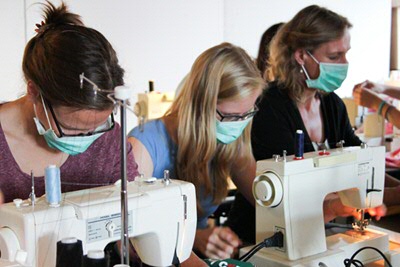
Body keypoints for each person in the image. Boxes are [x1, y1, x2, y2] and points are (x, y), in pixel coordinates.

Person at [226, 5, 387, 245]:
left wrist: (367, 193)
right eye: (334, 56)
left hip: (315, 233)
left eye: (346, 54)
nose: (344, 63)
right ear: (301, 56)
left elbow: (359, 160)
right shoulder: (267, 107)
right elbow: (285, 197)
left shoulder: (332, 105)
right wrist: (337, 205)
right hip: (259, 238)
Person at [128, 42, 266, 260]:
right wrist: (193, 237)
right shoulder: (144, 146)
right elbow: (126, 238)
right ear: (201, 105)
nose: (239, 124)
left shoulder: (230, 141)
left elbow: (267, 199)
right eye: (231, 117)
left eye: (247, 114)